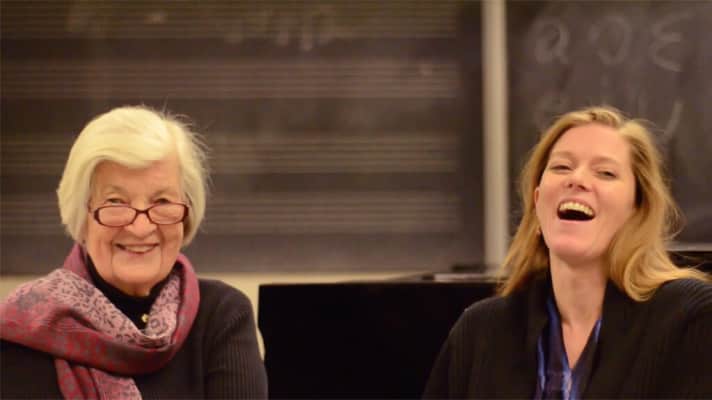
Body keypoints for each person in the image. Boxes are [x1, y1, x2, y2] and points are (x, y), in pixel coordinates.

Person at [423, 105, 712, 398]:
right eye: (562, 167)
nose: (577, 179)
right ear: (537, 203)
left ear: (637, 210)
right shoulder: (479, 331)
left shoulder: (691, 317)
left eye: (605, 172)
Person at [0, 106, 268, 398]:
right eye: (116, 202)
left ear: (186, 214)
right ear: (82, 215)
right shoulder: (25, 331)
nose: (141, 228)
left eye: (162, 201)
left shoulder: (222, 317)